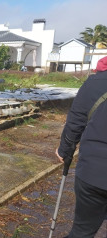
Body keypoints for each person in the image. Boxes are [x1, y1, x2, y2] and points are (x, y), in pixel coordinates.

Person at [56, 56, 107, 237]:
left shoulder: (95, 82)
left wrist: (65, 150)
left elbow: (75, 122)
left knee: (82, 231)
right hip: (94, 169)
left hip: (93, 171)